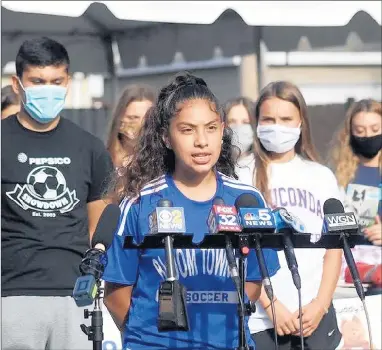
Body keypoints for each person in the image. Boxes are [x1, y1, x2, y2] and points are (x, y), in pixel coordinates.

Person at [102, 72, 280, 350]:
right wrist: (151, 338)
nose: (201, 141)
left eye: (210, 128)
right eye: (187, 130)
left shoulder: (247, 200)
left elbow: (254, 283)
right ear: (165, 137)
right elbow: (115, 292)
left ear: (223, 130)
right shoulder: (140, 203)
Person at [1, 37, 113, 350]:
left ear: (67, 81)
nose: (47, 89)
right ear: (17, 84)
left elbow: (98, 225)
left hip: (74, 296)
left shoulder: (89, 147)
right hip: (11, 295)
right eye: (37, 81)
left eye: (56, 81)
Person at [236, 81, 343, 349]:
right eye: (269, 119)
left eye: (286, 119)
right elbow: (239, 249)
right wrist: (270, 304)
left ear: (300, 123)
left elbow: (334, 248)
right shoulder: (239, 173)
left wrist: (320, 305)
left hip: (314, 317)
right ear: (256, 122)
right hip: (261, 320)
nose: (277, 126)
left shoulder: (321, 176)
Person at [329, 99, 381, 264]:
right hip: (348, 264)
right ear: (349, 133)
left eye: (375, 129)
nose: (368, 135)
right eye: (360, 130)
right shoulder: (335, 175)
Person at [106, 84, 156, 169]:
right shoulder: (102, 163)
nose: (142, 124)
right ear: (119, 121)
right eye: (133, 118)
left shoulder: (164, 166)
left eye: (148, 118)